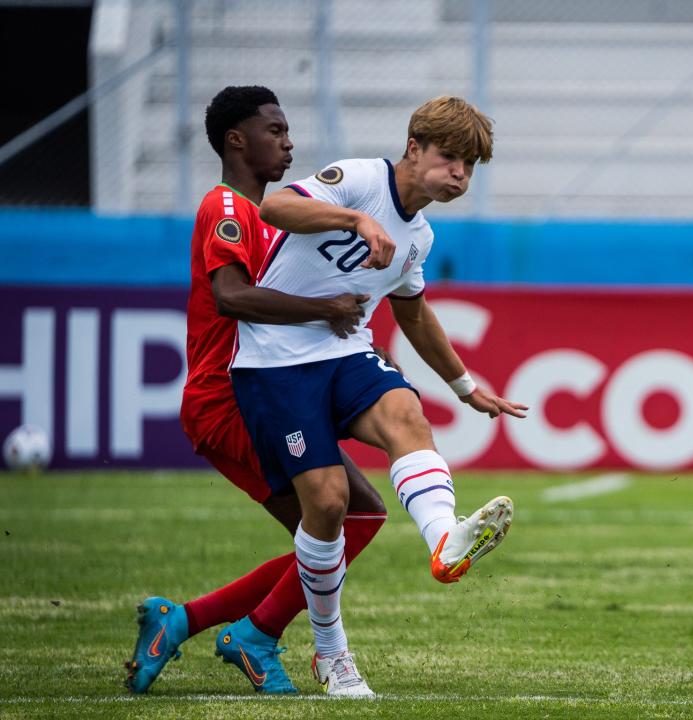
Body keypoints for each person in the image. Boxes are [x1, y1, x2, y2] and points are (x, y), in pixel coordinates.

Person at [228, 95, 527, 698]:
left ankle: (444, 540)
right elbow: (275, 205)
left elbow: (414, 316)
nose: (460, 175)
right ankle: (332, 653)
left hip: (343, 352)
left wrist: (466, 387)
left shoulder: (420, 235)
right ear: (413, 147)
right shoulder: (361, 180)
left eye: (470, 167)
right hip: (274, 361)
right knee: (330, 505)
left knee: (406, 412)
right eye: (450, 159)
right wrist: (355, 220)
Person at [124, 85, 389, 696]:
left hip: (264, 397)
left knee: (352, 522)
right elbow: (232, 297)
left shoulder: (266, 219)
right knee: (338, 529)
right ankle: (252, 635)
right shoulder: (226, 207)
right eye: (276, 130)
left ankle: (188, 621)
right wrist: (324, 309)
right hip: (229, 401)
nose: (289, 142)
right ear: (236, 139)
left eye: (289, 130)